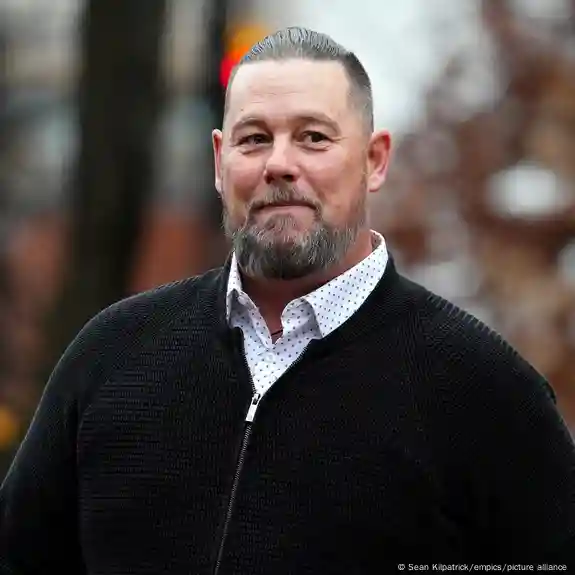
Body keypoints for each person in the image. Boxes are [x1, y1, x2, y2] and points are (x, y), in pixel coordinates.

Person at [2, 26, 575, 574]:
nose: (279, 164)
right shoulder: (111, 356)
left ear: (375, 160)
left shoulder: (484, 391)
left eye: (314, 137)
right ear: (220, 162)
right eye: (254, 139)